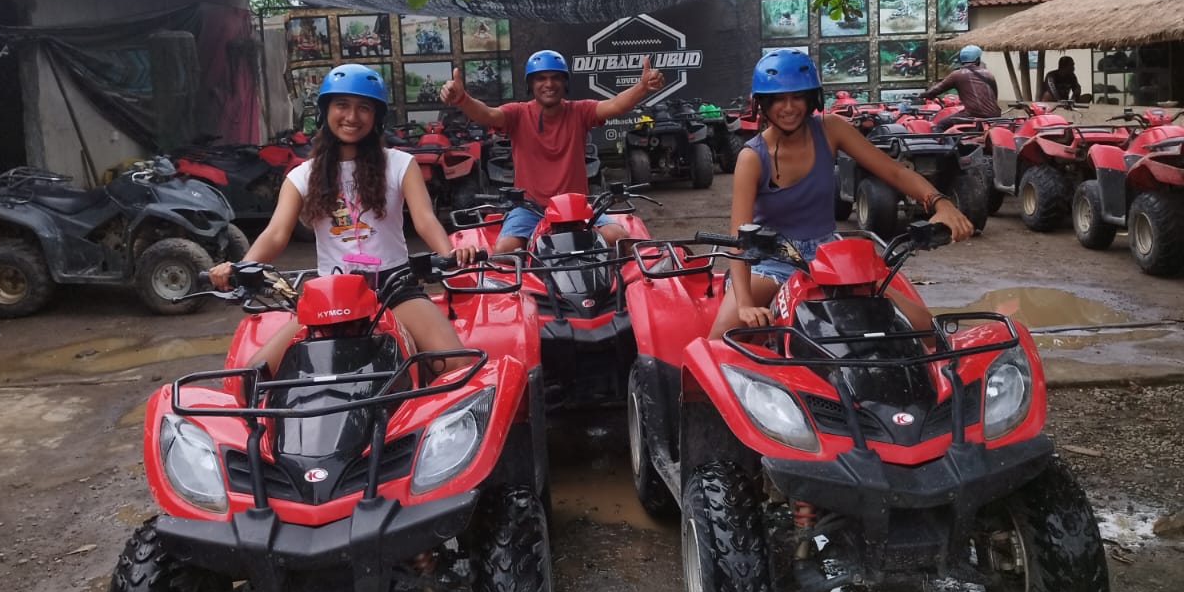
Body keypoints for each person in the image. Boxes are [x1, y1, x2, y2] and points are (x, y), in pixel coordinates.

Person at [209, 63, 473, 370]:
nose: (351, 116)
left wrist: (449, 254)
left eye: (364, 108)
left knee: (457, 364)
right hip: (330, 294)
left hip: (395, 286)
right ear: (325, 111)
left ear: (377, 116)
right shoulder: (301, 175)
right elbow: (276, 233)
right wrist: (241, 268)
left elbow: (425, 219)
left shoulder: (401, 164)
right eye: (342, 105)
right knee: (254, 375)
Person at [709, 49, 974, 336]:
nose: (788, 107)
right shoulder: (752, 158)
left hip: (829, 258)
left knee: (925, 329)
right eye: (778, 99)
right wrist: (745, 304)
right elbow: (739, 238)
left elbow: (895, 172)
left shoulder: (830, 129)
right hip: (773, 261)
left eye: (797, 97)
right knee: (722, 336)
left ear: (812, 98)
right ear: (763, 103)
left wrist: (940, 203)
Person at [440, 49, 665, 252]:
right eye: (541, 78)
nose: (549, 84)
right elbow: (487, 114)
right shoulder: (517, 113)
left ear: (564, 82)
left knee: (619, 239)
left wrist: (642, 87)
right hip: (529, 208)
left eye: (555, 77)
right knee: (504, 251)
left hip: (576, 206)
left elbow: (614, 105)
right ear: (531, 84)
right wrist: (462, 99)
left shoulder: (580, 111)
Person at [920, 44, 1001, 125]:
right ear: (978, 60)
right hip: (995, 115)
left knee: (939, 124)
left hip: (972, 114)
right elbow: (994, 95)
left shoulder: (957, 74)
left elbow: (937, 89)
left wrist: (923, 95)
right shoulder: (988, 74)